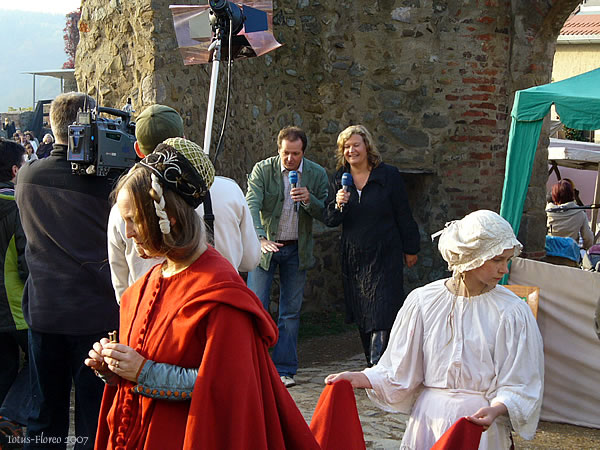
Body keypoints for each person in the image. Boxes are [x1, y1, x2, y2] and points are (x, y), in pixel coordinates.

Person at [86, 145, 321, 450]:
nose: (128, 233)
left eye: (134, 220)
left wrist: (144, 372)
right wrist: (114, 368)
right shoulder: (141, 289)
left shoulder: (221, 295)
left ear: (168, 217)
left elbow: (227, 386)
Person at [325, 210, 544, 449]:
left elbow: (521, 379)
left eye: (507, 260)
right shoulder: (424, 301)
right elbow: (399, 368)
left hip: (481, 428)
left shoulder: (511, 311)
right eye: (497, 260)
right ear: (472, 255)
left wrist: (496, 409)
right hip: (429, 422)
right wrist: (360, 378)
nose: (504, 269)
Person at [15, 92, 119, 449]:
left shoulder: (28, 174)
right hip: (94, 315)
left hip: (44, 311)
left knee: (44, 418)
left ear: (54, 125)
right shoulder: (108, 182)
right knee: (94, 420)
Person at [107, 104, 260, 302]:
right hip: (222, 300)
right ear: (184, 140)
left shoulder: (122, 206)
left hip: (148, 309)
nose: (131, 231)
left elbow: (122, 290)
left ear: (137, 148)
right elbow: (250, 260)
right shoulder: (230, 191)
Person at [323, 125, 420, 366]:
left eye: (356, 145)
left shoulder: (388, 175)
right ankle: (374, 362)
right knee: (363, 312)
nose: (351, 150)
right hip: (355, 256)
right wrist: (338, 204)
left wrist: (411, 248)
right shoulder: (339, 179)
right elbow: (330, 220)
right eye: (346, 147)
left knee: (382, 309)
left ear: (367, 147)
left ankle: (377, 366)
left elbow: (403, 213)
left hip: (385, 252)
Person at [246, 126, 329, 388]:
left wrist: (309, 200)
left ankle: (284, 370)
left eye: (295, 154)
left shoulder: (316, 174)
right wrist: (260, 238)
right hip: (265, 247)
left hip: (297, 249)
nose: (290, 159)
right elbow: (251, 204)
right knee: (256, 308)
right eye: (285, 153)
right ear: (278, 150)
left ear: (303, 152)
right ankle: (254, 367)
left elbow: (326, 212)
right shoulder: (263, 170)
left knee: (290, 313)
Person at [0, 139, 30, 446]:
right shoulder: (17, 206)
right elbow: (26, 264)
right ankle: (10, 416)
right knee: (37, 363)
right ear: (13, 170)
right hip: (16, 307)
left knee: (4, 368)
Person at [546, 179, 594, 249]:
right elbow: (588, 238)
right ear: (572, 194)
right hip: (571, 252)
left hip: (550, 251)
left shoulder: (547, 212)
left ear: (554, 196)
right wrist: (585, 248)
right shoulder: (580, 213)